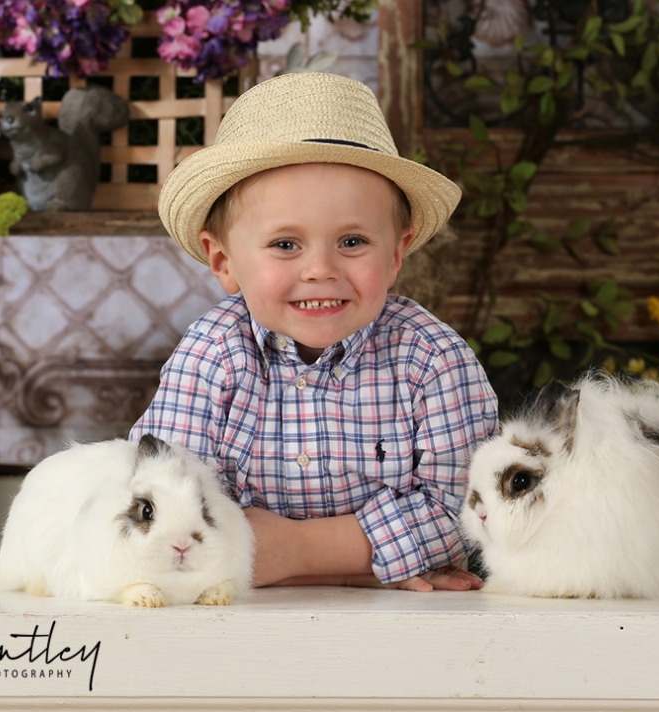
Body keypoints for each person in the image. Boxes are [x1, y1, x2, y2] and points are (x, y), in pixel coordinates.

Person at [130, 72, 498, 592]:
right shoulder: (210, 355)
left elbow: (469, 510)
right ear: (223, 259)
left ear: (397, 253)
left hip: (403, 627)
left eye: (352, 241)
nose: (320, 269)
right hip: (235, 620)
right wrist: (377, 565)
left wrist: (299, 551)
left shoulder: (432, 359)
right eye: (285, 245)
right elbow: (162, 496)